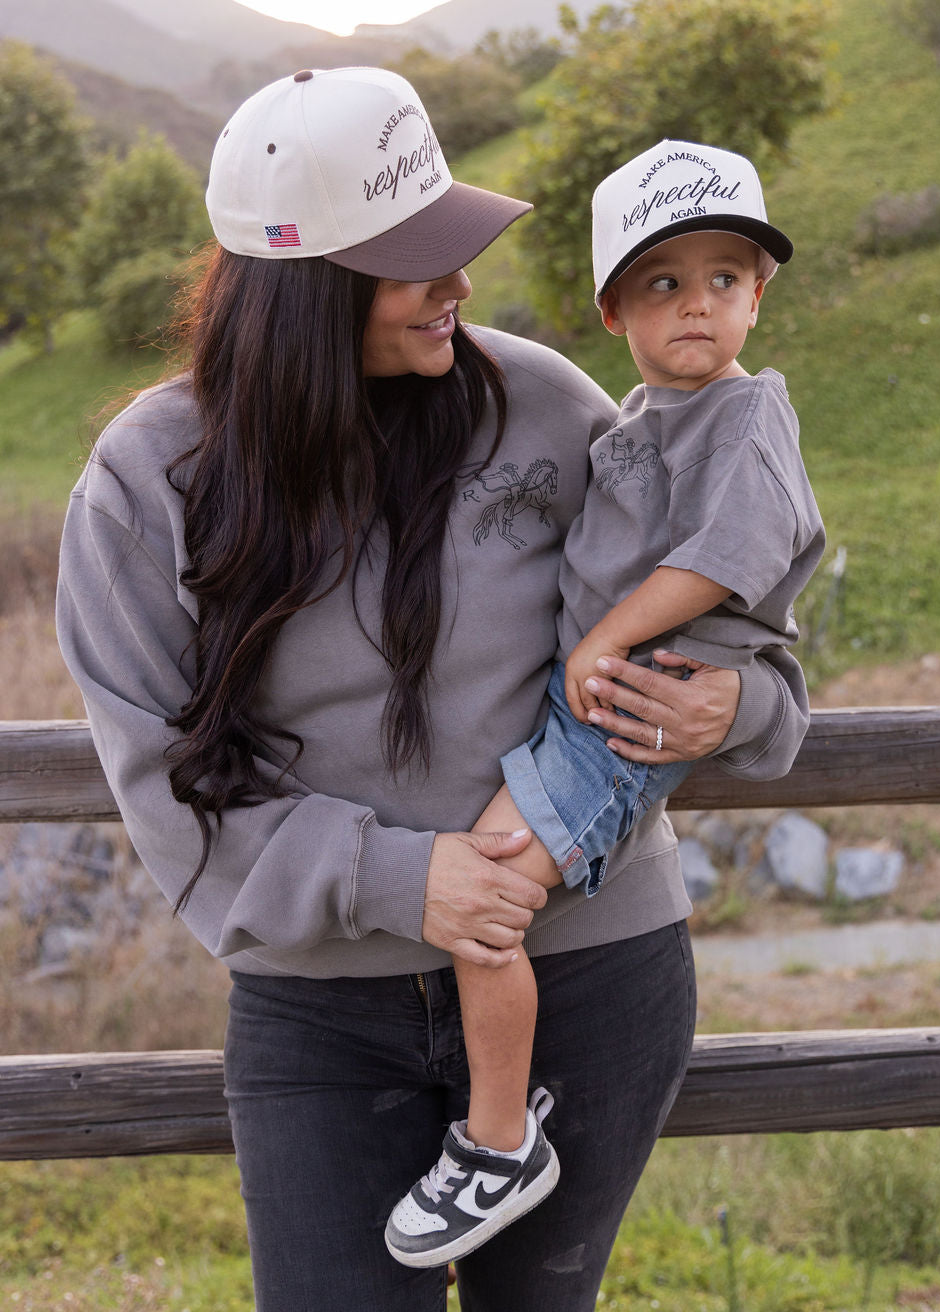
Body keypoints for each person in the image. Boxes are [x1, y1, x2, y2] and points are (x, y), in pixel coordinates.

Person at [56, 70, 811, 1312]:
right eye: (415, 263)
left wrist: (748, 711)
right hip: (320, 1011)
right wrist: (407, 880)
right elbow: (163, 779)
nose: (458, 282)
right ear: (305, 286)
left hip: (592, 979)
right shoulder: (150, 479)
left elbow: (733, 610)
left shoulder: (544, 403)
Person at [385, 138, 826, 1269]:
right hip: (587, 705)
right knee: (485, 890)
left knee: (486, 899)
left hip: (635, 708)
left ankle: (497, 1142)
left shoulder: (746, 416)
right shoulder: (639, 418)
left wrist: (608, 636)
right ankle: (494, 1135)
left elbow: (726, 559)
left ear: (759, 297)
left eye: (724, 278)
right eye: (663, 283)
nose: (698, 305)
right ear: (612, 310)